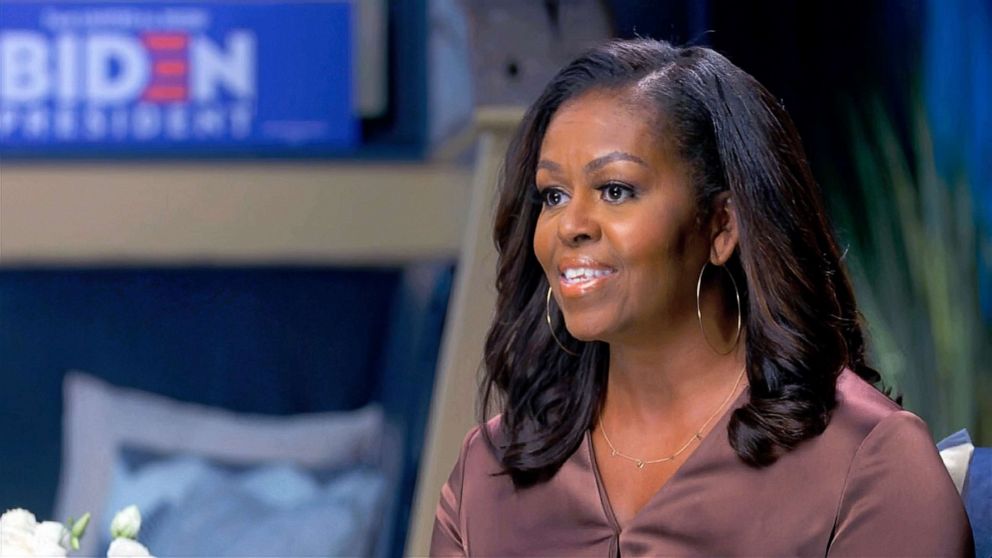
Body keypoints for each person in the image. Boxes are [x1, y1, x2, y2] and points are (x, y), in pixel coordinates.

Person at [430, 38, 974, 556]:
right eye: (554, 194)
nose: (569, 225)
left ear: (720, 227)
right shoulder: (489, 472)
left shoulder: (867, 462)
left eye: (615, 190)